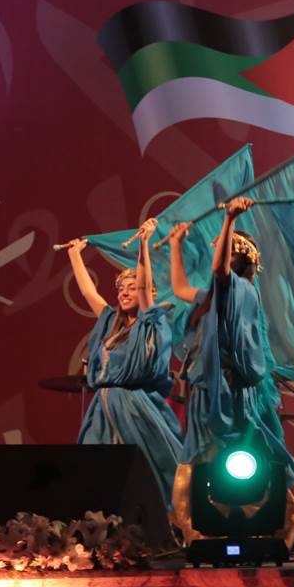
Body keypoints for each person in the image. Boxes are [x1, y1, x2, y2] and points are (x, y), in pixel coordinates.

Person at [166, 197, 294, 541]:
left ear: (239, 260)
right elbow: (180, 288)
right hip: (206, 389)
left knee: (240, 452)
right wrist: (176, 246)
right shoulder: (213, 296)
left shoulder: (240, 291)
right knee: (202, 453)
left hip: (229, 389)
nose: (218, 258)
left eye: (225, 252)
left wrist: (229, 220)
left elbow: (219, 271)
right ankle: (198, 527)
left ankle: (275, 520)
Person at [65, 219, 184, 513]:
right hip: (103, 406)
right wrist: (74, 255)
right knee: (95, 469)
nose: (125, 292)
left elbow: (144, 286)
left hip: (135, 406)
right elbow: (88, 292)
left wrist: (143, 244)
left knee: (144, 468)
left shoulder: (150, 322)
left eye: (132, 288)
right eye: (121, 289)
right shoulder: (110, 322)